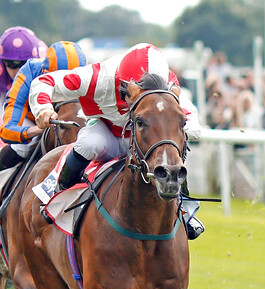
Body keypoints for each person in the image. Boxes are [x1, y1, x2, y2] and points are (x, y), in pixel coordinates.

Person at [29, 43, 206, 239]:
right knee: (89, 144)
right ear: (122, 81)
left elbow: (189, 118)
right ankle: (58, 194)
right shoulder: (96, 77)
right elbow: (45, 82)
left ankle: (185, 208)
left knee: (173, 148)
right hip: (108, 131)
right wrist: (43, 108)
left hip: (146, 141)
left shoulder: (168, 85)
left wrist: (179, 128)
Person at [0, 41, 87, 171]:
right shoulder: (28, 73)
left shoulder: (90, 76)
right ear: (44, 72)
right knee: (21, 148)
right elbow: (7, 131)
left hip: (68, 119)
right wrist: (38, 129)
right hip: (31, 118)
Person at [0, 26, 45, 95]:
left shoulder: (43, 67)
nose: (19, 70)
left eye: (25, 64)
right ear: (3, 61)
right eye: (12, 64)